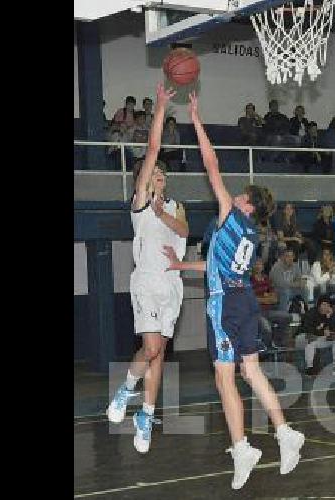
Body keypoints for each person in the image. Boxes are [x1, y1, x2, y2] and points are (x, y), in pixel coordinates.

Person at [161, 91, 305, 490]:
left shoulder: (231, 213)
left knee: (225, 379)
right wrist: (181, 265)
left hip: (225, 304)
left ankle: (242, 447)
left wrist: (196, 120)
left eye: (242, 194)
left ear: (247, 205)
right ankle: (285, 432)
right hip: (242, 297)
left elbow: (211, 165)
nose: (235, 194)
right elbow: (216, 266)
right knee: (251, 371)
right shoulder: (251, 234)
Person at [105, 83, 188, 456]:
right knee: (152, 347)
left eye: (162, 176)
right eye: (155, 175)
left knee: (158, 353)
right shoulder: (139, 204)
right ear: (145, 178)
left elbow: (185, 231)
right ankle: (125, 390)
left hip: (173, 287)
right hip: (146, 283)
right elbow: (153, 148)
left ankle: (146, 415)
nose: (160, 179)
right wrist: (159, 108)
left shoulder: (175, 207)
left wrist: (164, 215)